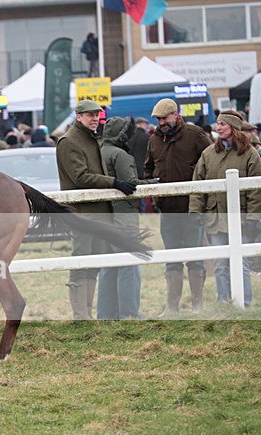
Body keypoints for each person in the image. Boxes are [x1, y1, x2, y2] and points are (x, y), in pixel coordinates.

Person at [56, 99, 137, 320]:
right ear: (79, 116)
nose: (95, 119)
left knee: (95, 260)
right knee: (81, 260)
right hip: (82, 213)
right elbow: (80, 177)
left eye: (97, 115)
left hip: (99, 211)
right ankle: (80, 316)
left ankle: (87, 315)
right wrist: (114, 183)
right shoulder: (69, 141)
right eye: (90, 115)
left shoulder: (92, 139)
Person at [145, 97, 212, 315]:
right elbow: (149, 168)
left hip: (191, 208)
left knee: (195, 258)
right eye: (158, 119)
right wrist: (152, 191)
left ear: (175, 115)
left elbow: (212, 161)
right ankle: (172, 306)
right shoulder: (154, 140)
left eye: (164, 118)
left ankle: (197, 305)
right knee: (171, 259)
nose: (161, 122)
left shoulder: (195, 135)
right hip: (167, 210)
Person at [189, 111, 261, 308]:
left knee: (242, 264)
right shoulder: (208, 154)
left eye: (222, 124)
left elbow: (256, 191)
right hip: (216, 218)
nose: (218, 127)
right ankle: (224, 303)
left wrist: (255, 218)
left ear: (233, 128)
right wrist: (195, 211)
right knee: (221, 265)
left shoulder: (250, 155)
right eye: (217, 124)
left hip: (242, 220)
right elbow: (198, 185)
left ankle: (244, 304)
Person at [97, 116, 152, 320]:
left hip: (104, 217)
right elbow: (131, 186)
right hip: (123, 217)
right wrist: (154, 184)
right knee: (130, 264)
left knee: (109, 267)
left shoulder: (100, 151)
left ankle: (105, 315)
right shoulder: (120, 155)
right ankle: (129, 313)